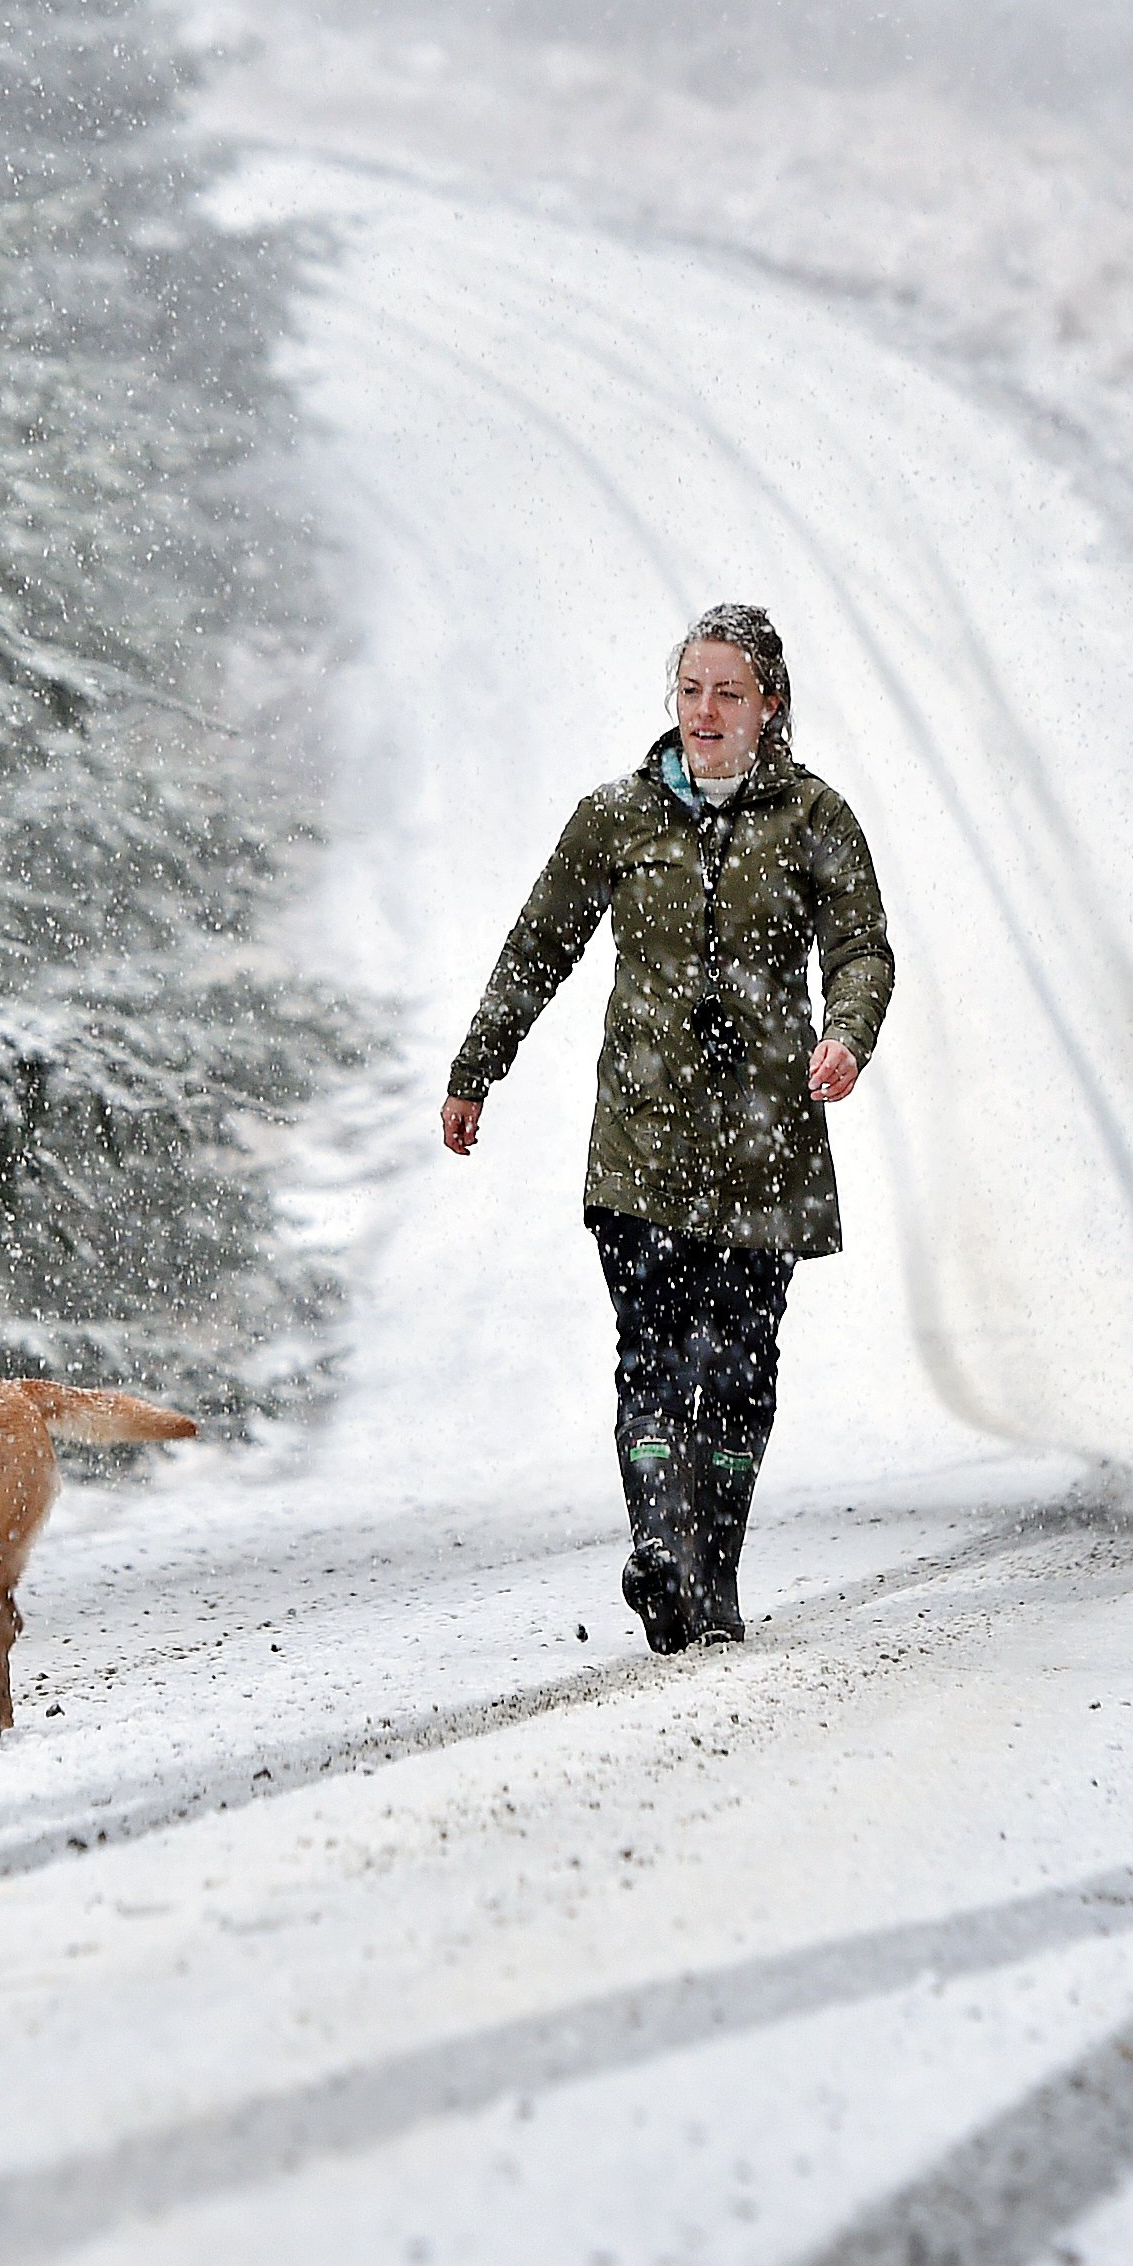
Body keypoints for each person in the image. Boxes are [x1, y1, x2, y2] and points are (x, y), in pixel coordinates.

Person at [440, 604, 894, 1652]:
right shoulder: (616, 816)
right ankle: (661, 1548)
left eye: (727, 691)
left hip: (765, 1144)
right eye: (690, 689)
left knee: (738, 1361)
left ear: (768, 705)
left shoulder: (815, 819)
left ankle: (712, 1573)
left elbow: (863, 949)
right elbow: (534, 947)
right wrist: (477, 1068)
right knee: (652, 1351)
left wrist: (847, 1037)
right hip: (642, 1146)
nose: (704, 710)